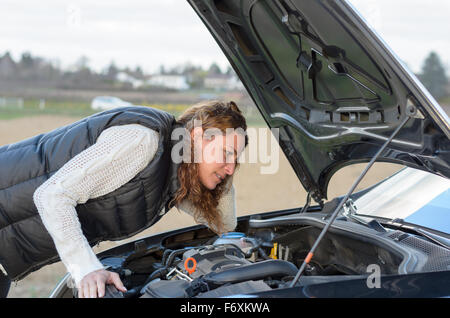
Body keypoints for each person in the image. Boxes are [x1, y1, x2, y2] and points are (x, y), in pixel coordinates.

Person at [0, 100, 248, 298]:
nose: (230, 168)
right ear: (195, 136)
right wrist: (87, 270)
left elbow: (224, 224)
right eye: (226, 152)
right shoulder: (144, 142)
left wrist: (224, 168)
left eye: (235, 160)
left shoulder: (173, 175)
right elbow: (52, 196)